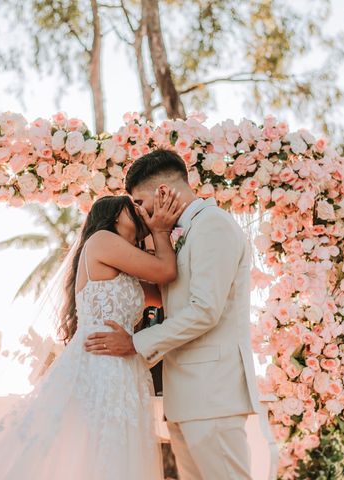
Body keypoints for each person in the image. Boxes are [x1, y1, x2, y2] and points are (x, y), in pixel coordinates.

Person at [0, 193, 186, 479]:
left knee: (115, 451)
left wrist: (154, 238)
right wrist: (160, 230)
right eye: (132, 206)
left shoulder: (127, 268)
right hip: (98, 364)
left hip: (124, 366)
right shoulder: (102, 240)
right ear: (113, 216)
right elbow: (165, 270)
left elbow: (165, 295)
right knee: (90, 448)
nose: (140, 209)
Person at [85, 149, 261, 480]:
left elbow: (205, 311)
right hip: (187, 399)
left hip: (213, 396)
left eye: (139, 202)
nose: (139, 212)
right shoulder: (184, 233)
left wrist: (135, 344)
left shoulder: (213, 226)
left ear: (162, 192)